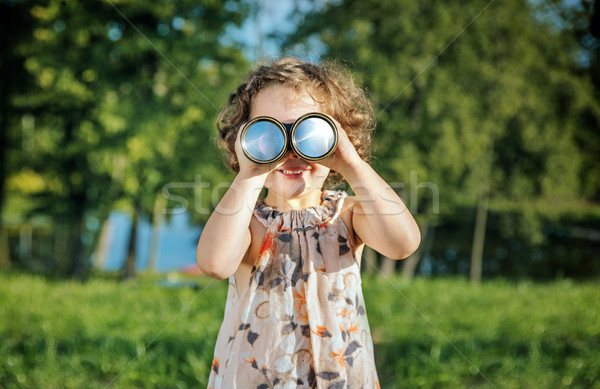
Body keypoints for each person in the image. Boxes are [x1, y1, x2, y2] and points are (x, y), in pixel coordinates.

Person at [198, 57, 421, 388]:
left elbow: (403, 243)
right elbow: (215, 263)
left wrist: (352, 164)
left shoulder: (348, 214)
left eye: (309, 132)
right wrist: (249, 175)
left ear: (337, 135)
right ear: (245, 142)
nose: (291, 151)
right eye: (269, 134)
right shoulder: (248, 222)